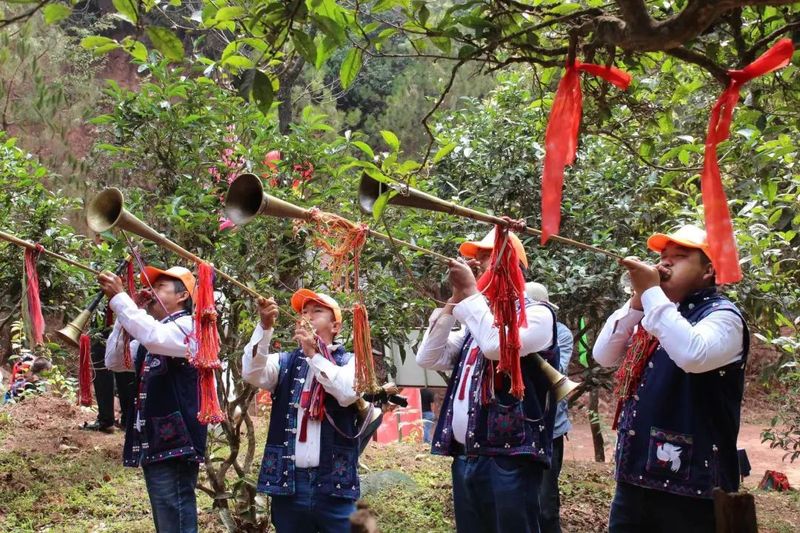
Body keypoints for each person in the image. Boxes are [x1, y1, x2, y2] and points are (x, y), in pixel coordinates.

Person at [593, 225, 748, 532]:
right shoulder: (657, 312)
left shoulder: (723, 316)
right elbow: (604, 355)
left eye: (679, 257)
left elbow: (692, 354)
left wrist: (651, 293)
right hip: (634, 479)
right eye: (663, 257)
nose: (665, 264)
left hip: (694, 490)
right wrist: (638, 301)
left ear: (708, 270)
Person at [416, 228, 559, 533]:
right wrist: (454, 302)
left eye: (485, 256)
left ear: (511, 264)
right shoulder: (475, 323)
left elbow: (496, 346)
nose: (477, 264)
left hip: (512, 457)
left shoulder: (538, 315)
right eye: (476, 258)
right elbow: (427, 357)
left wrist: (470, 294)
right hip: (468, 456)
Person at [242, 289, 361, 533]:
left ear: (335, 326)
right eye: (303, 312)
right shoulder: (283, 362)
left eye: (317, 311)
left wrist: (314, 355)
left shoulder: (350, 362)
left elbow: (347, 393)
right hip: (289, 482)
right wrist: (264, 328)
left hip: (332, 484)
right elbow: (252, 372)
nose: (307, 316)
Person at [100, 265, 207, 533]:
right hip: (157, 441)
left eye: (160, 287)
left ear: (182, 296)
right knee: (167, 517)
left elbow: (155, 337)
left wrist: (121, 300)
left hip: (178, 441)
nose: (152, 291)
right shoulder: (154, 332)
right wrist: (125, 313)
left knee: (176, 517)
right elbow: (114, 360)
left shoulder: (190, 327)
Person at [526, 282, 573, 533]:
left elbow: (558, 372)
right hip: (518, 430)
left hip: (550, 429)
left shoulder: (561, 333)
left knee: (546, 504)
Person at [81, 324, 136, 433]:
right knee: (100, 358)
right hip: (102, 322)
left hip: (126, 318)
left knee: (126, 357)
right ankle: (107, 420)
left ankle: (128, 420)